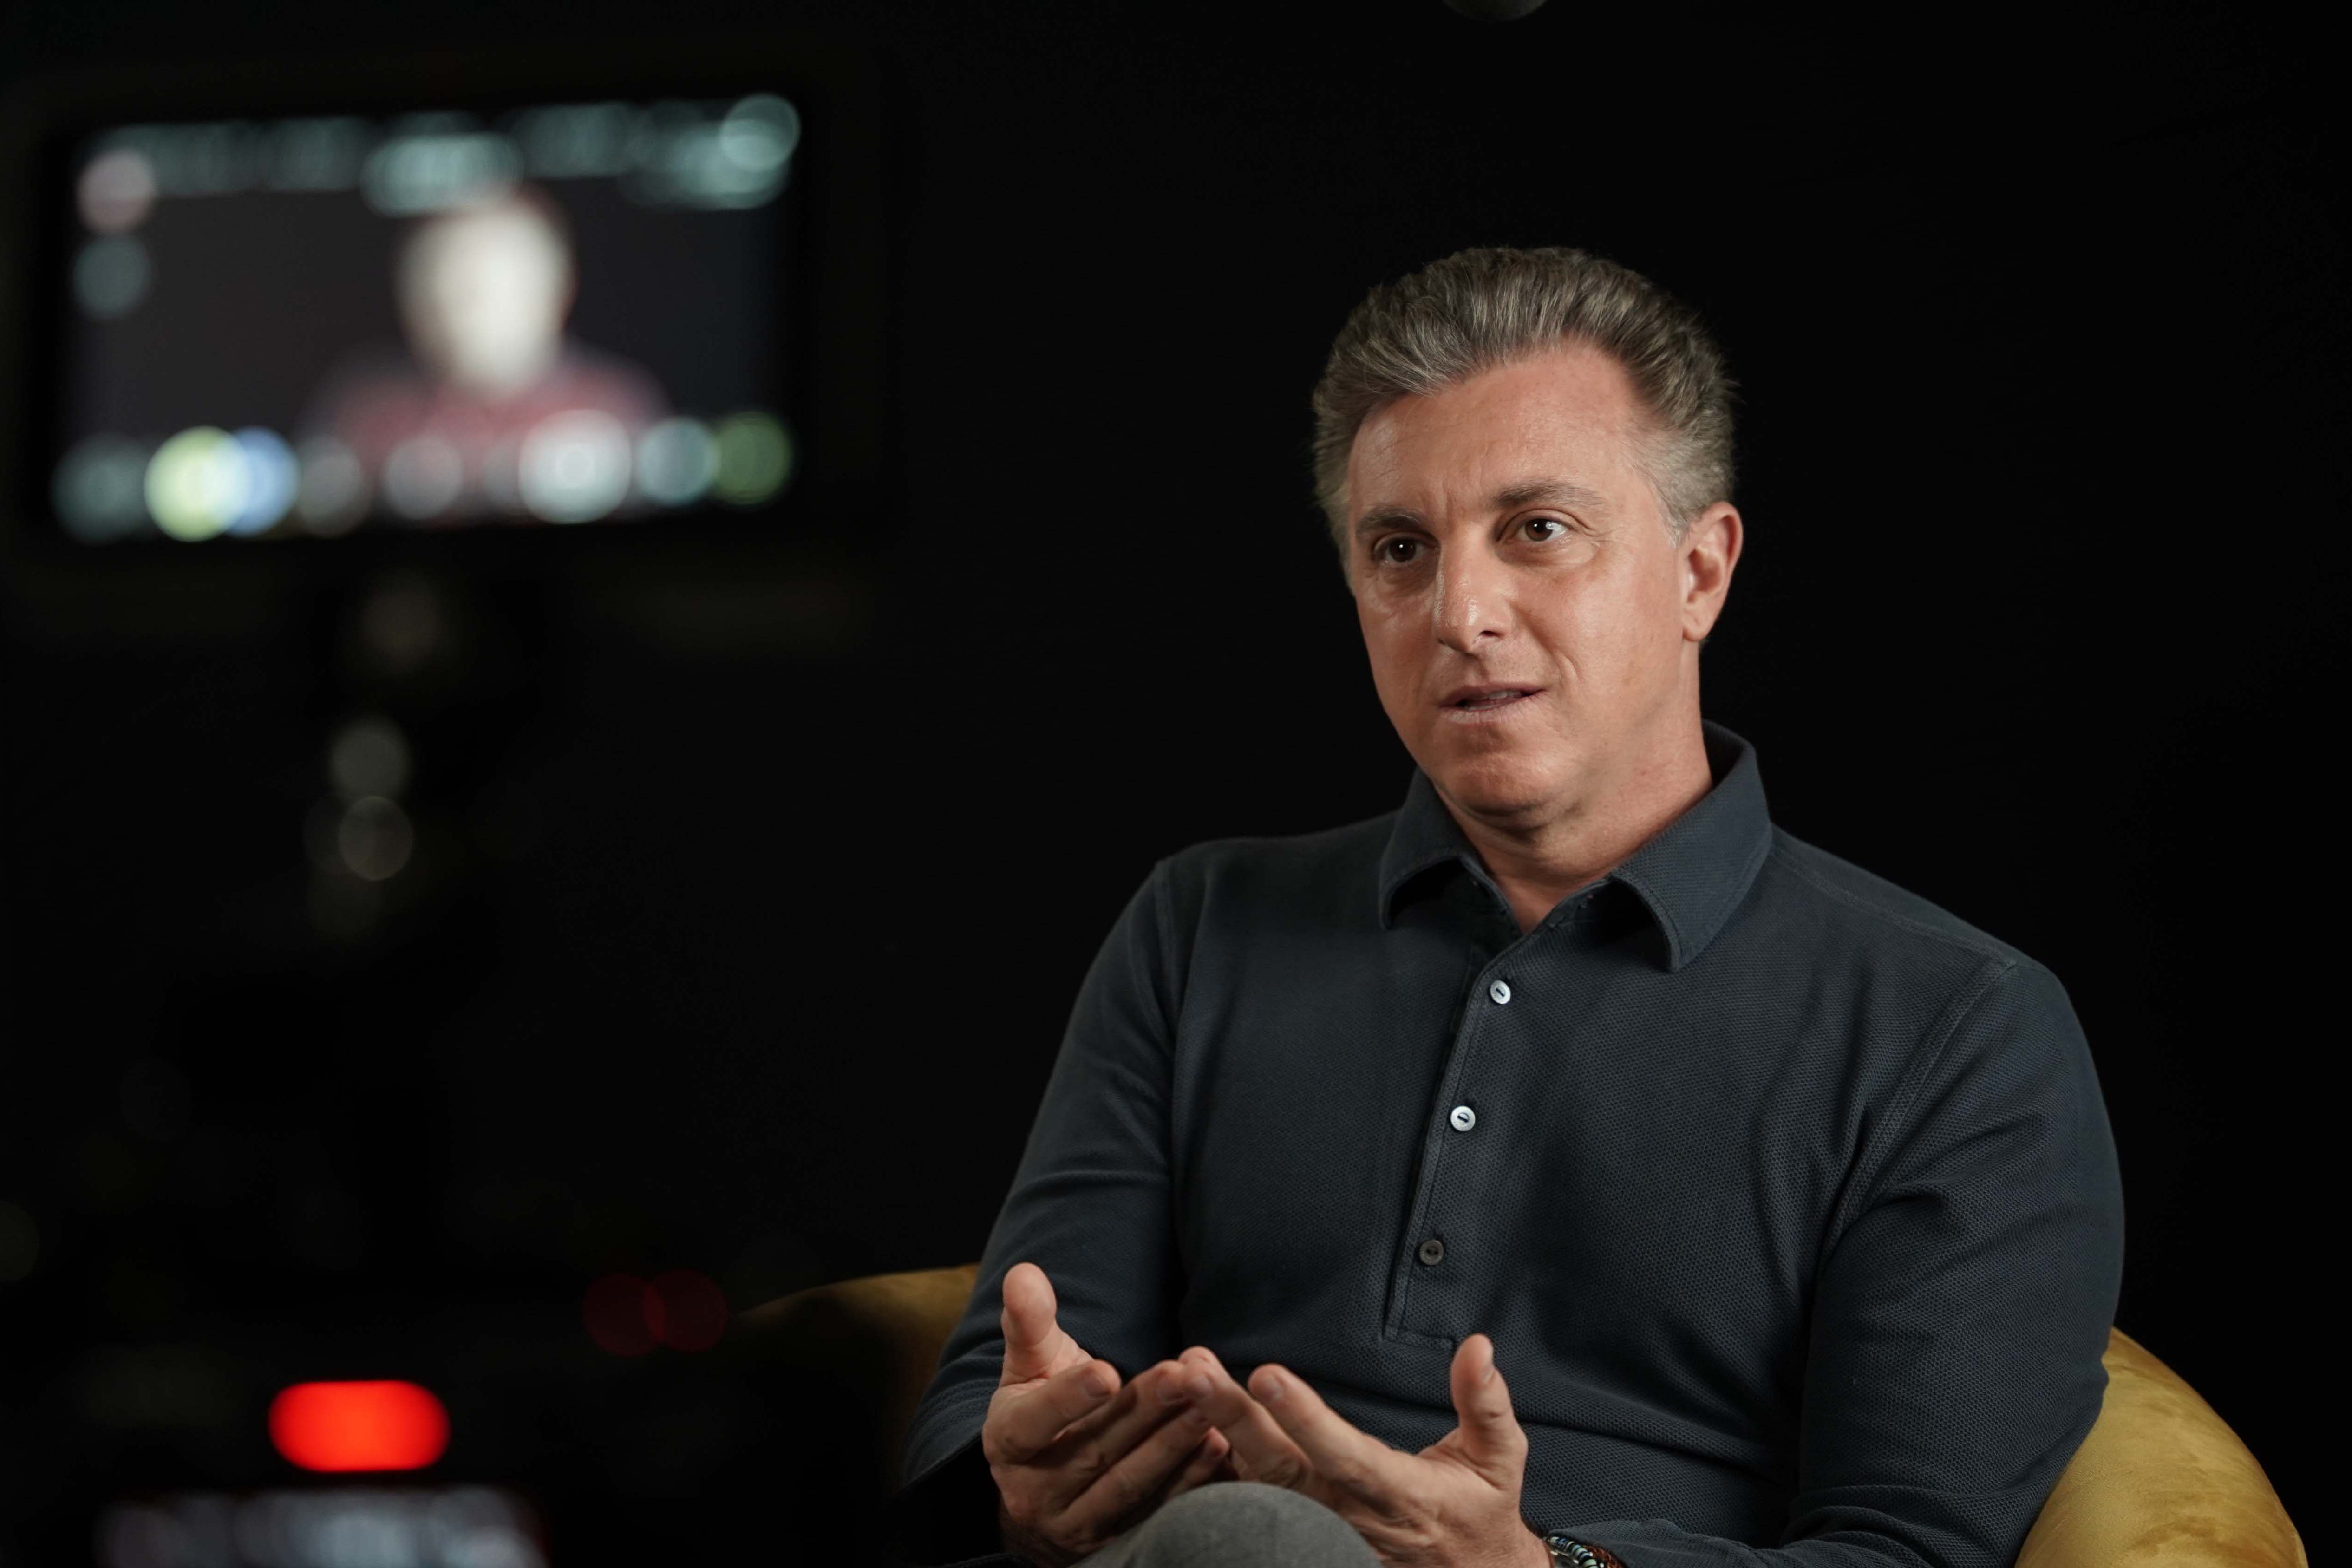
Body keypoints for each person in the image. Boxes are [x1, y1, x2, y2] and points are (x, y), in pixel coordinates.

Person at [887, 247, 2123, 1568]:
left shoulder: (1959, 1027)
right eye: (1400, 550)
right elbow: (996, 1395)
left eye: (1537, 530)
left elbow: (1915, 1550)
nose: (1460, 613)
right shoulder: (1203, 923)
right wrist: (1019, 1485)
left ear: (1700, 571)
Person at [301, 183, 667, 526]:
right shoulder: (364, 414)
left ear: (556, 285)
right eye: (435, 277)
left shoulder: (618, 409)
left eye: (485, 280)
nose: (457, 306)